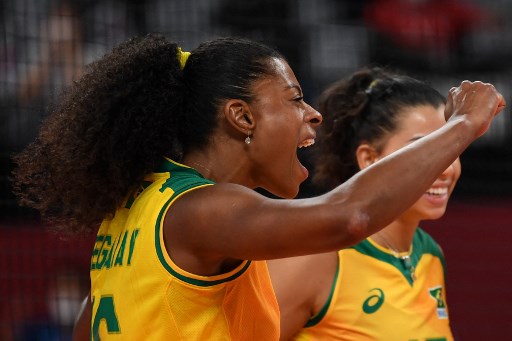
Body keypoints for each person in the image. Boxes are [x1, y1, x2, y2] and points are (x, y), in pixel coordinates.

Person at [11, 33, 504, 340]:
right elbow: (348, 216)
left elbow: (89, 325)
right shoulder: (201, 209)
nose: (312, 113)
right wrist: (461, 126)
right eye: (293, 99)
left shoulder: (138, 204)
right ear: (242, 117)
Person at [268, 67, 464, 340]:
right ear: (370, 159)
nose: (445, 167)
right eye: (425, 148)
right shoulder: (314, 253)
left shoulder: (430, 254)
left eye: (451, 148)